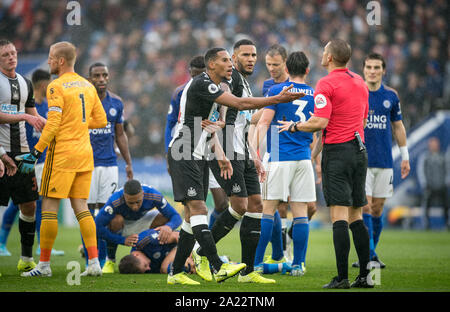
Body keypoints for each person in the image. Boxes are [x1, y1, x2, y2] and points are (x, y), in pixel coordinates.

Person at [166, 46, 303, 285]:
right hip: (183, 150)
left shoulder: (214, 88)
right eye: (225, 60)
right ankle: (217, 264)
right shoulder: (204, 83)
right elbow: (240, 104)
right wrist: (277, 99)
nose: (230, 64)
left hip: (198, 152)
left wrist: (218, 145)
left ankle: (176, 272)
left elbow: (210, 122)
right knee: (199, 208)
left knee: (190, 216)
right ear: (211, 65)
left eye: (231, 60)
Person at [278, 39, 372, 288]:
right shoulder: (360, 83)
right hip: (359, 152)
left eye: (324, 51)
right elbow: (360, 122)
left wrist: (294, 126)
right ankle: (365, 277)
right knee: (357, 216)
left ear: (329, 57)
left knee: (338, 216)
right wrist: (313, 154)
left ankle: (342, 278)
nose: (321, 54)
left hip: (338, 154)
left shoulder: (326, 83)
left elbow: (320, 122)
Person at [18, 41, 107, 277]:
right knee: (82, 208)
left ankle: (44, 265)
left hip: (62, 155)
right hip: (85, 154)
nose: (48, 61)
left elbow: (55, 123)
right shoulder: (87, 86)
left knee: (48, 206)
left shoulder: (56, 86)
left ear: (60, 61)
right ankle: (94, 263)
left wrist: (36, 151)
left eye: (50, 57)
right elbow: (101, 121)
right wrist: (77, 123)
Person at [199, 39, 279, 284]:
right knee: (239, 205)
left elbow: (242, 126)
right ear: (234, 58)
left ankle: (248, 272)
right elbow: (214, 118)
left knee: (256, 205)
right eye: (245, 55)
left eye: (254, 55)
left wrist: (254, 157)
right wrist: (220, 152)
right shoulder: (229, 80)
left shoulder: (243, 82)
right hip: (226, 152)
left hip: (243, 152)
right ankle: (201, 252)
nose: (251, 59)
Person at [253, 51, 316, 276]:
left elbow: (264, 122)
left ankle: (257, 263)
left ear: (287, 69)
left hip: (280, 157)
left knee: (268, 211)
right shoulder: (315, 94)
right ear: (307, 70)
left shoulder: (277, 90)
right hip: (303, 158)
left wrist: (254, 152)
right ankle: (298, 264)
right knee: (300, 213)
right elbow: (319, 128)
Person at [352, 53, 410, 269]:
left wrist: (405, 156)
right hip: (362, 160)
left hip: (385, 160)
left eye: (377, 67)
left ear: (384, 70)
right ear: (364, 69)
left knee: (377, 209)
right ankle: (369, 255)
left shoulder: (391, 96)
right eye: (369, 67)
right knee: (365, 207)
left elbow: (398, 126)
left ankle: (371, 252)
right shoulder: (357, 92)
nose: (372, 71)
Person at [0, 69, 64, 257]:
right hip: (26, 159)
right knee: (18, 202)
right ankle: (3, 242)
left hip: (43, 161)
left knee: (36, 202)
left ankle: (38, 245)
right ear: (44, 85)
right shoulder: (25, 107)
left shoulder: (45, 107)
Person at [164, 55, 229, 229]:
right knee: (193, 206)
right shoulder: (181, 92)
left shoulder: (217, 89)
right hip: (187, 147)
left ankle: (204, 245)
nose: (198, 79)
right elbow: (172, 122)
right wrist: (168, 153)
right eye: (194, 75)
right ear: (190, 74)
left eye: (201, 74)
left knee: (222, 203)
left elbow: (223, 116)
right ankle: (198, 249)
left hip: (212, 146)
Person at [0, 39, 47, 273]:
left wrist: (48, 124)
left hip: (24, 155)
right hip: (0, 153)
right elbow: (21, 116)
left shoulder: (25, 82)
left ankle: (26, 257)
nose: (11, 57)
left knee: (29, 205)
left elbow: (33, 115)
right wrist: (24, 117)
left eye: (14, 53)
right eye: (6, 54)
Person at [85, 62, 133, 272]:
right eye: (97, 76)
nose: (101, 79)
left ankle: (104, 261)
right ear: (89, 78)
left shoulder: (116, 103)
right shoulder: (82, 101)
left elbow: (120, 134)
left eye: (104, 75)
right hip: (85, 164)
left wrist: (128, 163)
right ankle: (92, 260)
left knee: (107, 213)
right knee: (86, 214)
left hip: (109, 165)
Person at [95, 179, 182, 273]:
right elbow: (97, 227)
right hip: (124, 225)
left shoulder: (153, 195)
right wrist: (122, 240)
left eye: (138, 202)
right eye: (130, 203)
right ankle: (110, 260)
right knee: (116, 220)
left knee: (165, 218)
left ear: (143, 194)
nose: (135, 207)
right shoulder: (115, 201)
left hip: (144, 221)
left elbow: (176, 217)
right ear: (124, 197)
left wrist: (168, 227)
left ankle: (165, 250)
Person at [118, 211, 194, 275]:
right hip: (177, 255)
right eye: (146, 269)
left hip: (189, 244)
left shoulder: (147, 240)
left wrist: (187, 256)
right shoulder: (140, 267)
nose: (148, 268)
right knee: (172, 269)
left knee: (164, 268)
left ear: (136, 255)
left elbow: (178, 236)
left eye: (145, 265)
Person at [418, 137, 448, 230]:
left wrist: (446, 182)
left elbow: (447, 170)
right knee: (427, 205)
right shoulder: (425, 157)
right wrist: (424, 183)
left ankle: (447, 223)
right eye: (432, 144)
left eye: (436, 144)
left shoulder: (443, 157)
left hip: (441, 185)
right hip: (429, 186)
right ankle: (426, 224)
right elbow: (421, 171)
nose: (434, 146)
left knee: (446, 206)